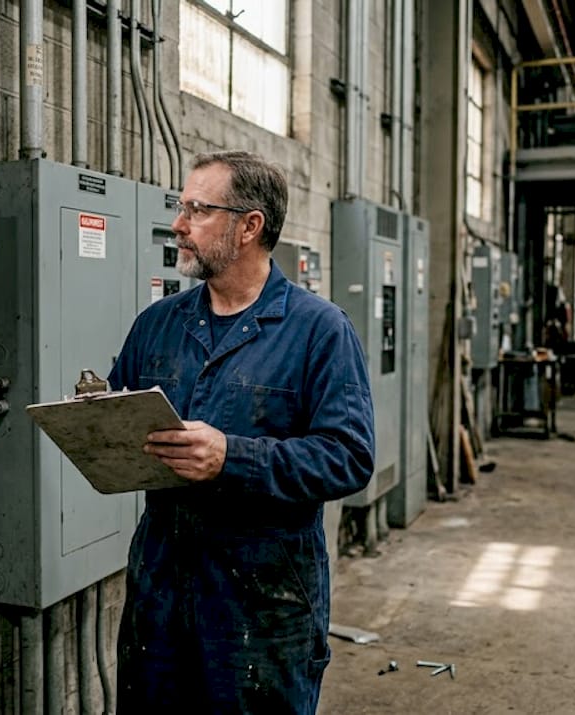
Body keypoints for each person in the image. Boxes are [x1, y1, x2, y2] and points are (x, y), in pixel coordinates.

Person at [107, 150, 376, 713]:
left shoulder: (319, 331)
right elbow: (118, 414)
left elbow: (348, 456)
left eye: (198, 210)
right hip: (159, 593)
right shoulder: (158, 324)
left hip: (262, 605)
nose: (179, 225)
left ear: (250, 226)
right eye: (182, 208)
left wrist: (232, 457)